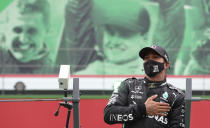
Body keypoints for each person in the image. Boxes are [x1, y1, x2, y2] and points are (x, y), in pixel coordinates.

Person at [62, 0, 157, 75]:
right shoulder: (87, 75)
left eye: (124, 35)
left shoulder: (152, 77)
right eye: (110, 33)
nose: (114, 42)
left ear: (144, 38)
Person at [104, 45, 185, 128]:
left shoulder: (176, 96)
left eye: (155, 57)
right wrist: (143, 109)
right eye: (146, 58)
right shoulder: (128, 85)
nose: (150, 61)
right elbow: (108, 115)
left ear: (166, 64)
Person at [0, 0, 54, 74]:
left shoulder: (55, 73)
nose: (23, 39)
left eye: (31, 31)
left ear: (47, 31)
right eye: (17, 30)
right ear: (5, 29)